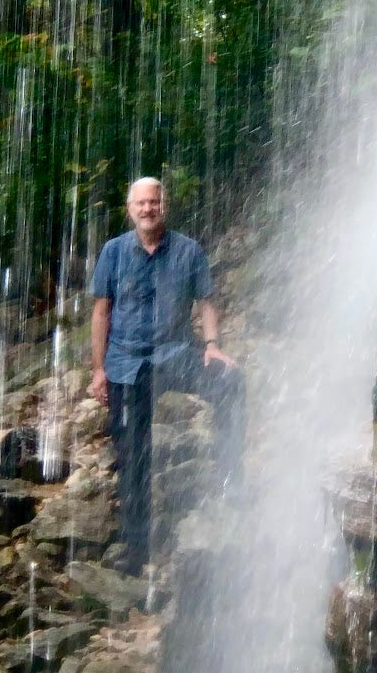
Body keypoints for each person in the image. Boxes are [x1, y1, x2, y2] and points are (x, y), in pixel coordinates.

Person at [89, 176, 245, 576]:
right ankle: (136, 546)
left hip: (176, 353)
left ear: (164, 206)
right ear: (130, 209)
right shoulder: (113, 252)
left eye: (154, 202)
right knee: (132, 454)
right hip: (126, 364)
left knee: (230, 382)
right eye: (141, 203)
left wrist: (212, 344)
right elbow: (101, 312)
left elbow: (207, 302)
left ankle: (229, 483)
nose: (147, 209)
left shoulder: (189, 251)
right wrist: (98, 370)